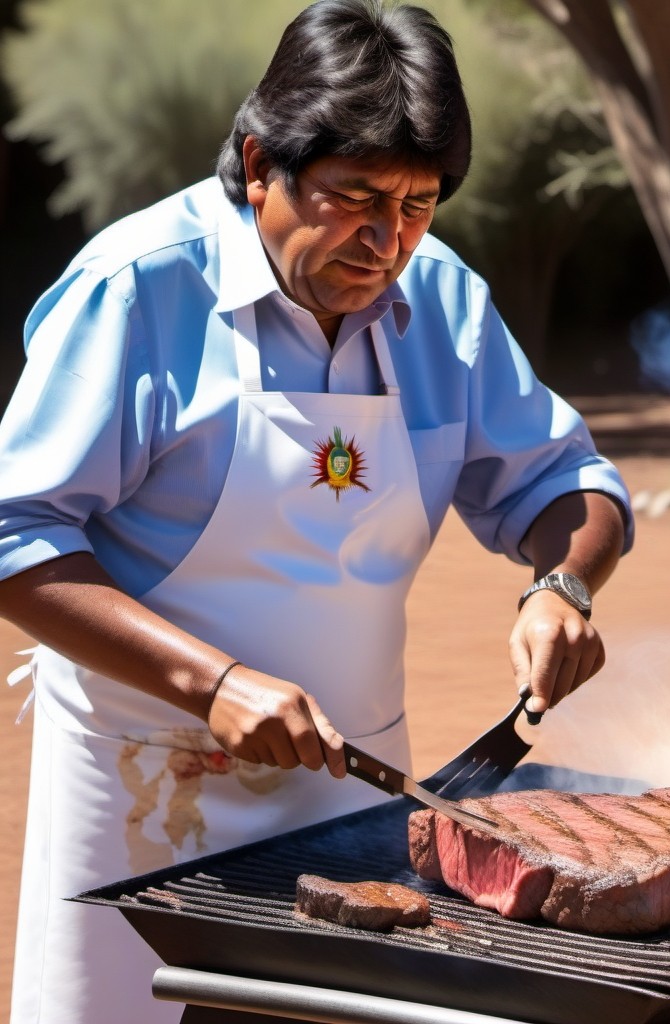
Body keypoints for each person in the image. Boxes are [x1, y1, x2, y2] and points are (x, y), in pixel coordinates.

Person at [0, 1, 633, 1020]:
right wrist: (215, 683)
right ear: (259, 165)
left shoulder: (444, 302)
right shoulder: (137, 289)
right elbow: (14, 534)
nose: (387, 242)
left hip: (357, 793)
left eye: (420, 205)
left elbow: (566, 482)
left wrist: (560, 584)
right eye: (356, 198)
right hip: (142, 792)